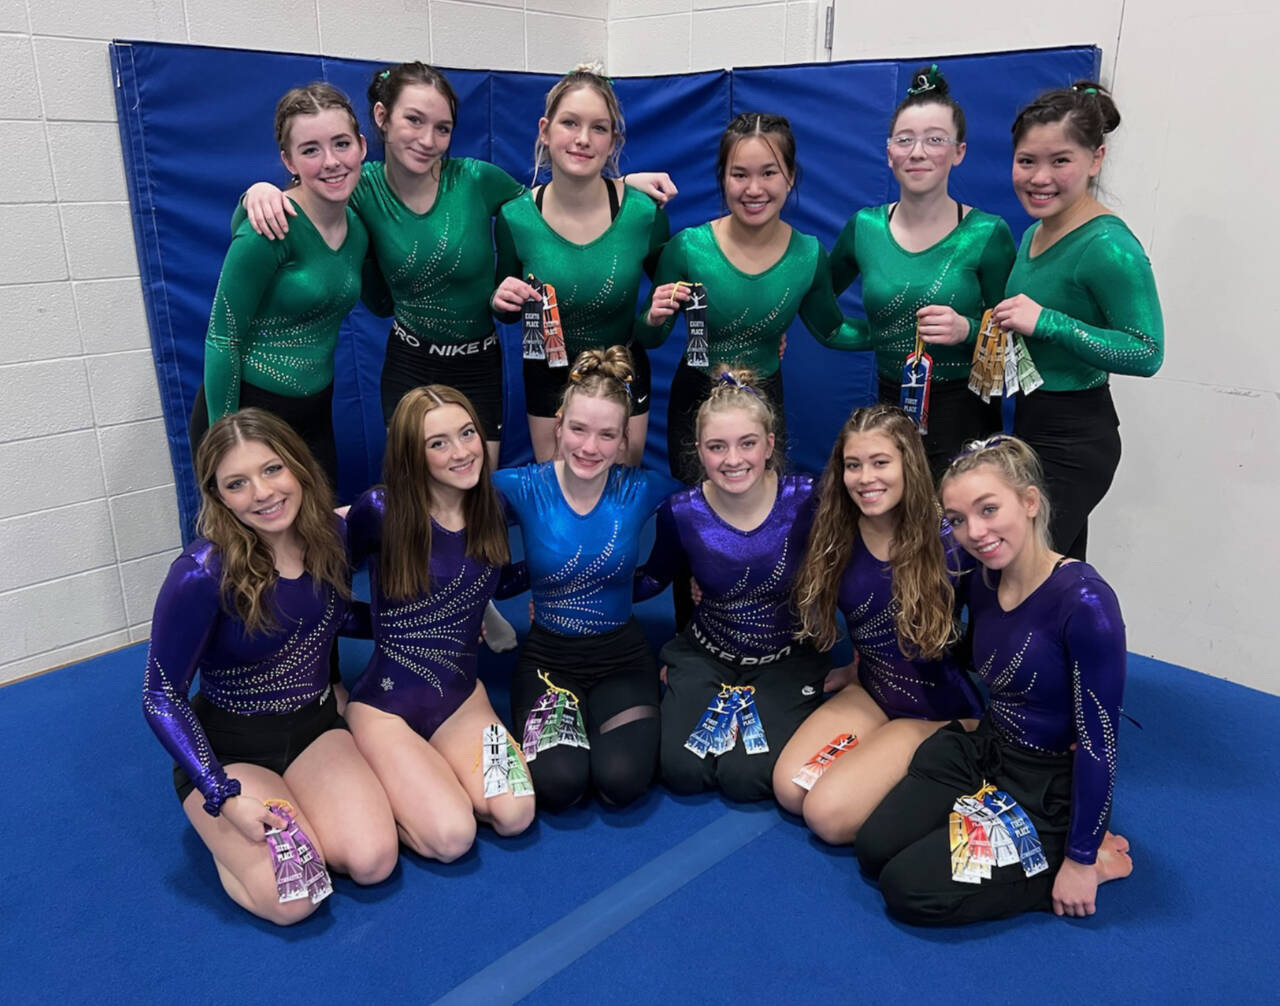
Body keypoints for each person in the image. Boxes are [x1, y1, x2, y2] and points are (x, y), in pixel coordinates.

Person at [244, 62, 675, 465]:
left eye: (442, 128)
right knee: (417, 492)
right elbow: (312, 191)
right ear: (380, 118)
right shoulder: (361, 187)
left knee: (479, 490)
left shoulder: (476, 180)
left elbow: (558, 193)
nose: (427, 139)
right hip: (412, 358)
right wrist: (259, 192)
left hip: (484, 362)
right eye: (414, 120)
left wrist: (620, 184)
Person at [856, 435, 1133, 925]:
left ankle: (1075, 858)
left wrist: (1081, 859)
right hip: (986, 752)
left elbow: (1099, 744)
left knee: (909, 889)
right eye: (958, 519)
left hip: (1043, 784)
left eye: (988, 510)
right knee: (874, 848)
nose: (974, 532)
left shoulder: (1086, 603)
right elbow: (959, 651)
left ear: (1029, 502)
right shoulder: (984, 578)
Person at [142, 409, 397, 925]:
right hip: (231, 749)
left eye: (272, 470)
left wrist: (419, 621)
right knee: (295, 900)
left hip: (314, 728)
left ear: (299, 467)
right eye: (237, 483)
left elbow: (330, 615)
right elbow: (160, 694)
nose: (261, 493)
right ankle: (223, 839)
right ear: (218, 497)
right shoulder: (201, 573)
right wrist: (222, 796)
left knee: (372, 862)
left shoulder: (330, 535)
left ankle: (301, 807)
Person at [773, 404, 982, 840]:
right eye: (854, 465)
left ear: (909, 464)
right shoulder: (836, 528)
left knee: (826, 816)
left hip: (937, 710)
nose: (866, 478)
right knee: (791, 788)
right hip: (871, 690)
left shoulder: (951, 541)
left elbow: (1011, 621)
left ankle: (952, 747)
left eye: (881, 462)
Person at [344, 386, 534, 861]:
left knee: (516, 814)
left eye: (467, 433)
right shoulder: (381, 511)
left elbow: (494, 582)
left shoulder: (491, 503)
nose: (462, 451)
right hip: (386, 706)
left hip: (461, 698)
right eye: (439, 443)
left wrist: (562, 573)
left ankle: (422, 777)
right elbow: (323, 588)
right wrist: (388, 628)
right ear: (413, 455)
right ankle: (380, 764)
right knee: (452, 837)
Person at [634, 112, 865, 485]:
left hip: (765, 398)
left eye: (768, 173)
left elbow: (832, 329)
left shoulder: (808, 254)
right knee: (698, 512)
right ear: (723, 179)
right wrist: (653, 318)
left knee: (760, 506)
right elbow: (648, 337)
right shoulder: (689, 248)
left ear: (790, 176)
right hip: (696, 396)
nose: (754, 189)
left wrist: (894, 331)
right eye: (740, 174)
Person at [495, 347, 679, 810]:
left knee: (622, 781)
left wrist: (711, 583)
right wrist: (510, 588)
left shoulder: (640, 489)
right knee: (560, 786)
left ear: (622, 441)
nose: (589, 447)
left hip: (621, 656)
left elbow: (717, 504)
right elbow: (434, 505)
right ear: (559, 426)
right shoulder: (522, 486)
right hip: (548, 660)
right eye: (578, 429)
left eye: (606, 435)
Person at [635, 369, 828, 802]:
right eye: (717, 447)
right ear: (699, 451)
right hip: (709, 653)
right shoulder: (682, 511)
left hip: (785, 657)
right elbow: (652, 578)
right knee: (682, 770)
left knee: (747, 778)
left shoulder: (805, 498)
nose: (733, 460)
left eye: (747, 444)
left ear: (769, 445)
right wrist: (574, 589)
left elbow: (848, 560)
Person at [990, 81, 1163, 559]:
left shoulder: (1108, 246)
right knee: (1055, 578)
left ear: (1096, 159)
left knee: (1016, 570)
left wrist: (1050, 322)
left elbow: (1147, 352)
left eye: (1059, 161)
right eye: (1027, 161)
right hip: (1029, 423)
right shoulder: (1031, 236)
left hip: (1076, 437)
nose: (1039, 177)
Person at [829, 65, 1016, 479]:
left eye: (935, 140)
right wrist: (875, 336)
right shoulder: (865, 228)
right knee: (893, 526)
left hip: (967, 410)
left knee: (956, 533)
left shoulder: (988, 233)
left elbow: (1016, 347)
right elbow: (816, 300)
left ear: (959, 152)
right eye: (905, 139)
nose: (918, 152)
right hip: (890, 407)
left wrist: (968, 329)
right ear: (889, 151)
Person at [189, 83, 368, 491]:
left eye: (341, 144)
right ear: (287, 159)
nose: (331, 162)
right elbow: (222, 338)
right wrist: (227, 440)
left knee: (320, 542)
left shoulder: (358, 228)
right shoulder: (269, 225)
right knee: (255, 549)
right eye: (310, 150)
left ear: (361, 146)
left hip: (315, 410)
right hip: (249, 409)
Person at [491, 64, 670, 465]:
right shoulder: (515, 217)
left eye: (599, 128)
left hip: (623, 369)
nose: (583, 139)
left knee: (619, 499)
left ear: (613, 141)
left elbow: (667, 310)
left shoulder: (644, 213)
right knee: (556, 501)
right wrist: (500, 301)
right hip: (548, 372)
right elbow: (503, 309)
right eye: (570, 123)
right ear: (544, 130)